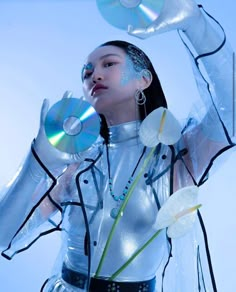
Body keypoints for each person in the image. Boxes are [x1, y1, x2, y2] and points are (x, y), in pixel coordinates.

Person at [0, 0, 234, 291]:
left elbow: (230, 109)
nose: (93, 75)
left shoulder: (176, 156)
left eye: (108, 63)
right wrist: (37, 166)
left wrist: (197, 25)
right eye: (86, 73)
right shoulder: (76, 167)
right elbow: (3, 236)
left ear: (144, 79)